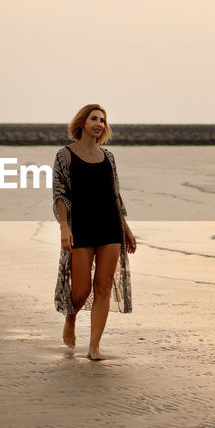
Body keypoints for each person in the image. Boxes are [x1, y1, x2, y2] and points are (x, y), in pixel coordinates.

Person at [53, 104, 137, 361]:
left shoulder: (108, 157)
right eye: (94, 119)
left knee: (103, 287)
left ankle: (94, 346)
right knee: (81, 290)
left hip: (110, 226)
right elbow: (60, 194)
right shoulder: (65, 155)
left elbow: (115, 195)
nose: (99, 123)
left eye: (102, 120)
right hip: (81, 226)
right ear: (82, 122)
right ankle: (71, 317)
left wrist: (127, 229)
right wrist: (64, 228)